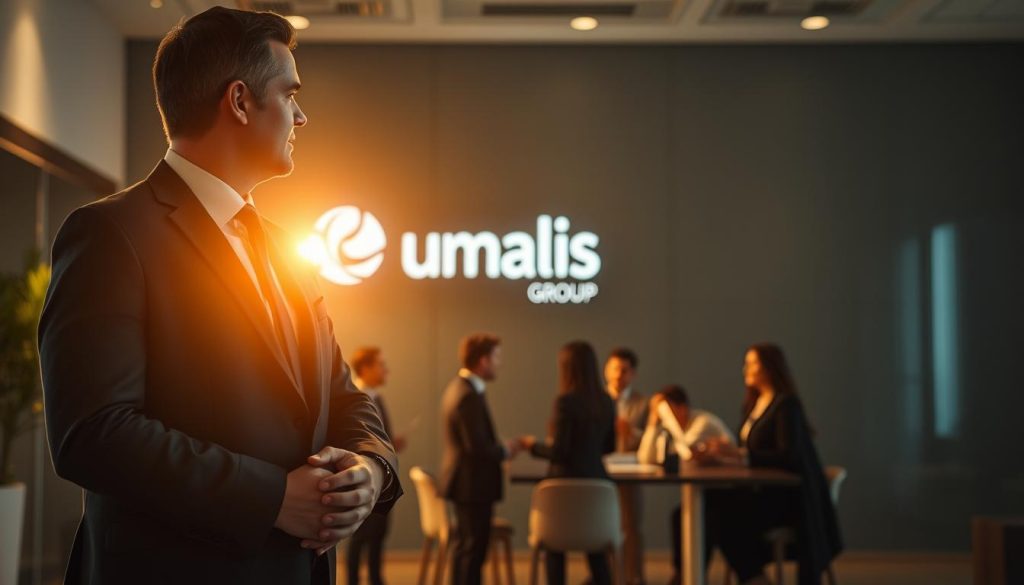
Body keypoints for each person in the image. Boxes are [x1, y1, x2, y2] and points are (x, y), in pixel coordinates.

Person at [37, 8, 400, 584]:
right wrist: (271, 497)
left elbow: (343, 395)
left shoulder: (288, 249)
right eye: (289, 95)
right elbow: (94, 432)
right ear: (239, 101)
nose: (301, 116)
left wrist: (370, 468)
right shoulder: (110, 233)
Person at [701, 343, 842, 585]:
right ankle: (740, 576)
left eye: (752, 363)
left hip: (782, 500)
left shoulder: (786, 405)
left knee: (716, 514)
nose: (745, 369)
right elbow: (751, 452)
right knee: (699, 508)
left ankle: (752, 577)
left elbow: (788, 456)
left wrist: (739, 455)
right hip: (759, 493)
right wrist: (723, 453)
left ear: (769, 367)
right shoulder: (754, 404)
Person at [518, 341, 616, 585]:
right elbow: (609, 447)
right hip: (597, 488)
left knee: (555, 544)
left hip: (563, 490)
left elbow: (559, 452)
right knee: (596, 550)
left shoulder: (565, 401)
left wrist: (532, 445)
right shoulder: (606, 401)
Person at [439, 333, 521, 585]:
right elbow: (477, 447)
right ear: (484, 360)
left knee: (466, 549)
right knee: (473, 552)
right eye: (497, 357)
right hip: (472, 485)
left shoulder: (459, 388)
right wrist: (505, 450)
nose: (499, 363)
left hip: (468, 484)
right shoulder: (468, 395)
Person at [636, 385, 734, 584]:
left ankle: (688, 575)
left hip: (726, 492)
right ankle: (682, 573)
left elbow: (684, 453)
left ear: (681, 407)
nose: (660, 414)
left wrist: (666, 425)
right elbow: (646, 457)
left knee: (695, 518)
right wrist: (653, 423)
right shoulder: (670, 429)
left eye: (664, 408)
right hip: (705, 491)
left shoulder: (703, 423)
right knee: (679, 516)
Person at [347, 347, 407, 585]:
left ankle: (375, 579)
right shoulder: (354, 397)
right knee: (361, 535)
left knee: (378, 534)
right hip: (365, 476)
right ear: (365, 368)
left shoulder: (377, 397)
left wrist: (391, 444)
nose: (386, 370)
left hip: (383, 478)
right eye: (381, 365)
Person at [604, 347, 648, 585]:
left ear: (633, 374)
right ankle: (606, 576)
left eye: (623, 370)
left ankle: (635, 577)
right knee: (601, 525)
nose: (618, 375)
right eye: (614, 369)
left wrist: (630, 432)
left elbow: (650, 441)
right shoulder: (597, 400)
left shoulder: (643, 403)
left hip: (632, 470)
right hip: (602, 470)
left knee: (632, 526)